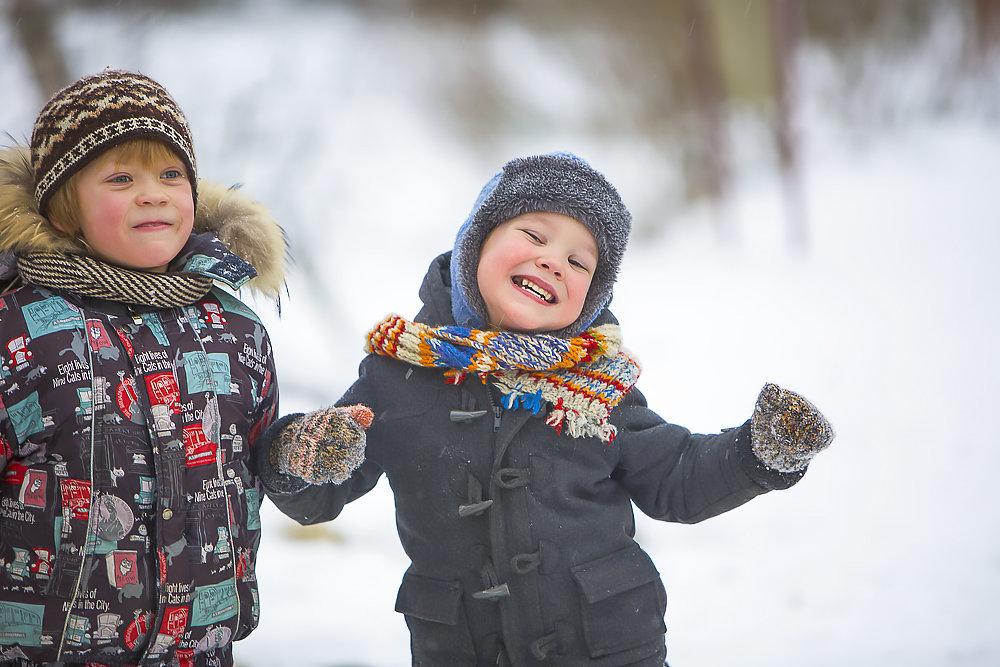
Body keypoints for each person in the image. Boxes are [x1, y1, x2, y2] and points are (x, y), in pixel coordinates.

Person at [255, 153, 835, 666]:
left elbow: (676, 476)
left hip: (605, 645)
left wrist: (759, 453)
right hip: (461, 646)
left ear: (592, 301)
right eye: (534, 234)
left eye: (580, 262)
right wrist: (305, 456)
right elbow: (319, 491)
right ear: (474, 245)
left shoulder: (597, 388)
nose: (555, 261)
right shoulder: (401, 373)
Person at [0, 69, 288, 666]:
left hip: (196, 648)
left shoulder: (234, 330)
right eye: (121, 178)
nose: (153, 193)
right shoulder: (19, 328)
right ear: (63, 211)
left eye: (171, 174)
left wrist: (297, 454)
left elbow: (257, 460)